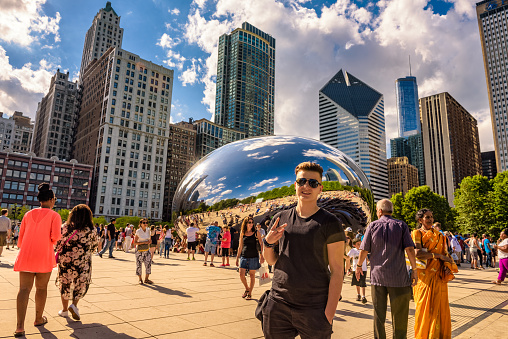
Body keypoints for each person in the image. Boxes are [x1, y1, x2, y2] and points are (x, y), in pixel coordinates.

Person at [263, 162, 345, 339]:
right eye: (302, 182)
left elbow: (338, 271)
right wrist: (267, 243)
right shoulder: (280, 218)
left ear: (320, 188)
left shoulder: (330, 222)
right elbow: (271, 261)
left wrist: (328, 315)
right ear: (295, 185)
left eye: (313, 183)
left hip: (314, 307)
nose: (306, 186)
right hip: (278, 304)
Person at [355, 199, 417, 339]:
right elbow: (410, 250)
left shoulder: (372, 226)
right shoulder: (401, 225)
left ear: (380, 211)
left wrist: (359, 266)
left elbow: (363, 250)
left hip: (378, 278)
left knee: (378, 315)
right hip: (399, 278)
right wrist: (414, 270)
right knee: (400, 315)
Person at [13, 183, 62, 337]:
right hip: (43, 256)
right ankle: (38, 319)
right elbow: (55, 237)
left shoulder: (28, 214)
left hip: (26, 255)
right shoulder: (55, 215)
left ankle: (19, 326)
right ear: (52, 199)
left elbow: (20, 239)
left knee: (23, 290)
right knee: (41, 289)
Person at [412, 208, 458, 339]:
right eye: (427, 217)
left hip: (438, 275)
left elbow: (445, 254)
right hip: (423, 277)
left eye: (431, 217)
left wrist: (446, 265)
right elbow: (418, 253)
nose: (430, 219)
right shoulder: (417, 233)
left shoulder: (440, 236)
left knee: (440, 307)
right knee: (424, 308)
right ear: (420, 220)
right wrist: (437, 256)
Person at [55, 204, 99, 321]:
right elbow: (95, 245)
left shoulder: (66, 227)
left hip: (66, 261)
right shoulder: (91, 230)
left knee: (65, 283)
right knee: (80, 283)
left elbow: (58, 243)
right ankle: (74, 305)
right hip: (83, 261)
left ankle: (64, 310)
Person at [236, 218, 263, 299]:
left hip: (254, 256)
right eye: (249, 223)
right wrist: (237, 257)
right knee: (241, 274)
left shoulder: (256, 232)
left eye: (252, 222)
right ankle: (247, 288)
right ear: (245, 224)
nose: (251, 224)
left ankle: (250, 293)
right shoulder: (242, 233)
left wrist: (262, 256)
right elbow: (240, 246)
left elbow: (261, 244)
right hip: (244, 256)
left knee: (252, 275)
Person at [348, 239, 367, 303]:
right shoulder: (353, 250)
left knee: (363, 283)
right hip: (355, 269)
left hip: (363, 269)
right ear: (354, 245)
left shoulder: (363, 250)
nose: (360, 245)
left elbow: (366, 257)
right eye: (358, 244)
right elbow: (348, 257)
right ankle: (358, 294)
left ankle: (363, 296)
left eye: (361, 244)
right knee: (357, 283)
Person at [134, 219, 152, 284]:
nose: (145, 224)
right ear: (140, 224)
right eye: (144, 223)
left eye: (146, 222)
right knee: (139, 264)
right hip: (139, 250)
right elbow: (135, 242)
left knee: (148, 264)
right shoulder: (138, 231)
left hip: (147, 250)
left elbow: (150, 240)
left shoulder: (148, 230)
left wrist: (150, 242)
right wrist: (144, 242)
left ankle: (146, 279)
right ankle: (140, 279)